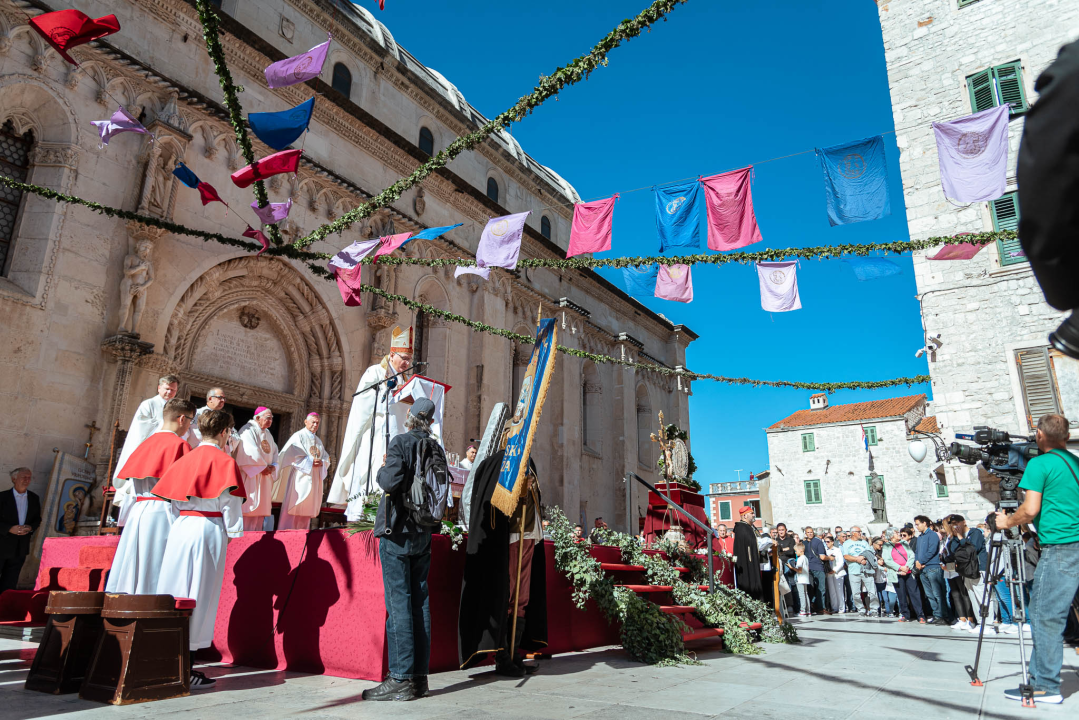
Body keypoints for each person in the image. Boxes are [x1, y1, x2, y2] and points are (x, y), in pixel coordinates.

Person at [153, 409, 246, 690]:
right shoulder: (225, 461)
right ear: (224, 433)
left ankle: (164, 658)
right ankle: (187, 666)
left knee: (174, 590)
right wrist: (231, 533)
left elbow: (170, 499)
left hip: (181, 527)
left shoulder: (186, 458)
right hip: (209, 529)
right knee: (200, 595)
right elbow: (231, 505)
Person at [993, 414, 1079, 705]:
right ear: (1066, 436)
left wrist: (1006, 523)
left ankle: (1046, 686)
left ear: (1039, 434)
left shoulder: (1040, 464)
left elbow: (1030, 510)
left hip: (1061, 547)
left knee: (1044, 616)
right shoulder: (1075, 461)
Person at [362, 399, 440, 702]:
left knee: (398, 607)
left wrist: (384, 467)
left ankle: (400, 678)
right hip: (424, 531)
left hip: (398, 532)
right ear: (429, 422)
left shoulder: (401, 442)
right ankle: (419, 679)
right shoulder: (435, 447)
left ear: (410, 418)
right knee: (420, 603)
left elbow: (390, 481)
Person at [460, 446, 546, 678]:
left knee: (522, 598)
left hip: (529, 535)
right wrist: (518, 493)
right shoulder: (502, 462)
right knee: (507, 598)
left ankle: (514, 651)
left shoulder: (529, 461)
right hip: (512, 536)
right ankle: (502, 656)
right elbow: (495, 500)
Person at [106, 399, 194, 595]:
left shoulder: (145, 444)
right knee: (155, 567)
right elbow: (185, 489)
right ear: (181, 419)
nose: (189, 426)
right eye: (190, 421)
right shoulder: (179, 445)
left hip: (137, 511)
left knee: (130, 564)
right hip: (163, 512)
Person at [330, 325, 414, 521]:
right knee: (373, 472)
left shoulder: (407, 380)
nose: (407, 362)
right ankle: (365, 517)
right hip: (377, 433)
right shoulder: (375, 373)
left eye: (409, 359)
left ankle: (390, 517)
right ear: (392, 354)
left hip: (398, 437)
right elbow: (364, 404)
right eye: (404, 358)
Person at [112, 375, 179, 515]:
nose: (169, 393)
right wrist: (166, 426)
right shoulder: (148, 404)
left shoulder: (176, 407)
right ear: (159, 387)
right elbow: (141, 427)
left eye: (173, 390)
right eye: (167, 389)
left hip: (166, 451)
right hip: (148, 450)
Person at [275, 412, 331, 531]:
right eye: (313, 422)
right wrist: (311, 461)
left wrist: (322, 462)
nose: (315, 425)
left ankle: (303, 534)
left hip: (313, 478)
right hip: (299, 478)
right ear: (306, 422)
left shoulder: (318, 440)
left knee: (306, 510)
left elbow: (326, 457)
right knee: (295, 504)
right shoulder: (298, 436)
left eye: (317, 423)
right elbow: (292, 453)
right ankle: (286, 533)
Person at [234, 407, 278, 531]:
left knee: (260, 516)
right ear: (258, 418)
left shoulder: (268, 434)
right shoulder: (248, 430)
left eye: (271, 419)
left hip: (264, 477)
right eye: (268, 418)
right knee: (248, 512)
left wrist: (273, 466)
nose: (270, 421)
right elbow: (249, 451)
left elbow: (275, 451)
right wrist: (262, 467)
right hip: (251, 476)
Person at [0, 468, 41, 594]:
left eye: (29, 477)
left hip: (20, 547)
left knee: (11, 582)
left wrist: (30, 528)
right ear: (14, 479)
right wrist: (9, 528)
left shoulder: (34, 498)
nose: (27, 480)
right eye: (24, 477)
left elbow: (37, 519)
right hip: (2, 544)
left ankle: (5, 608)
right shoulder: (2, 497)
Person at [943, 514, 985, 632]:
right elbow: (954, 551)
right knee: (970, 595)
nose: (955, 526)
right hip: (964, 570)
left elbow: (972, 550)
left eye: (957, 522)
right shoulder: (955, 537)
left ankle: (983, 622)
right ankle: (975, 621)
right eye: (953, 524)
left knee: (979, 596)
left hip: (976, 568)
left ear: (964, 522)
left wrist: (961, 537)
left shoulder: (974, 533)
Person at [884, 527, 925, 623]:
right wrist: (900, 568)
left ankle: (920, 615)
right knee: (901, 595)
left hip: (908, 572)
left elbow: (911, 555)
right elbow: (887, 560)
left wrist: (906, 567)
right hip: (896, 573)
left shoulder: (904, 543)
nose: (899, 534)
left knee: (915, 594)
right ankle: (905, 614)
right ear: (891, 535)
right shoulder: (886, 546)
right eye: (896, 532)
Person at [914, 514, 947, 624]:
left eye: (918, 524)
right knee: (929, 594)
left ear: (924, 523)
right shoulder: (920, 537)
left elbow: (932, 550)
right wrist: (917, 562)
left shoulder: (932, 535)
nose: (916, 527)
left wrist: (922, 561)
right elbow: (917, 552)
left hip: (933, 567)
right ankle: (936, 614)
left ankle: (943, 615)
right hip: (923, 569)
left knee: (938, 593)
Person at [187, 388, 238, 452]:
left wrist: (228, 436)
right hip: (195, 451)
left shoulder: (224, 418)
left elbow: (236, 438)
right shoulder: (196, 414)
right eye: (220, 397)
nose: (223, 400)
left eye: (224, 398)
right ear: (210, 398)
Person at [732, 505, 764, 601]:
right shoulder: (742, 528)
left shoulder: (750, 527)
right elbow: (751, 542)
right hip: (746, 562)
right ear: (745, 516)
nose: (754, 515)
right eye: (752, 513)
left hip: (752, 560)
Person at [803, 526, 829, 614]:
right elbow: (822, 557)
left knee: (814, 588)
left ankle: (814, 604)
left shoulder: (810, 542)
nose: (810, 534)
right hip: (817, 567)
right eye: (808, 532)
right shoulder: (818, 542)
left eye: (811, 532)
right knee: (821, 588)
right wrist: (831, 558)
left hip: (810, 567)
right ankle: (821, 607)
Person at [775, 523, 798, 614]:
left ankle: (791, 605)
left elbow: (791, 551)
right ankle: (781, 606)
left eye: (782, 530)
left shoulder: (791, 540)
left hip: (788, 566)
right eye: (779, 530)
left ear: (786, 530)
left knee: (790, 585)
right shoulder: (775, 540)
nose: (781, 532)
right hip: (778, 565)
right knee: (780, 586)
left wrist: (781, 550)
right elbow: (776, 552)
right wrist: (784, 549)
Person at [825, 535, 846, 614]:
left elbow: (841, 562)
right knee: (832, 591)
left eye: (828, 541)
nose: (827, 543)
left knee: (839, 590)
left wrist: (834, 570)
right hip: (829, 573)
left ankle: (841, 607)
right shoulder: (825, 550)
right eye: (825, 542)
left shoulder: (837, 550)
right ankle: (834, 607)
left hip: (837, 573)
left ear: (832, 542)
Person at [791, 542, 811, 617]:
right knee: (805, 594)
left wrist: (792, 567)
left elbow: (799, 570)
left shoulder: (800, 559)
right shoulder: (805, 558)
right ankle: (808, 610)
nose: (796, 552)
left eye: (796, 551)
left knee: (801, 595)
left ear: (800, 550)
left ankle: (803, 610)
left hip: (800, 579)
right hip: (805, 578)